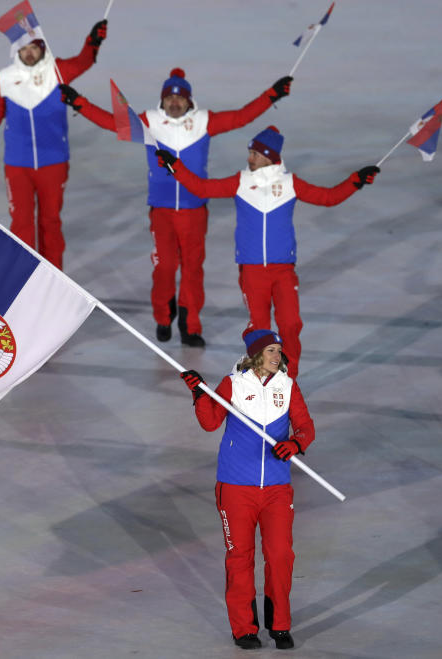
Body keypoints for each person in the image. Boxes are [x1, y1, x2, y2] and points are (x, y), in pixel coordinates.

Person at [58, 70, 293, 347]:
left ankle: (190, 324)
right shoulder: (150, 122)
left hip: (195, 209)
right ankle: (163, 314)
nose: (174, 103)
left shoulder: (204, 121)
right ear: (163, 100)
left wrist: (272, 95)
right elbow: (112, 123)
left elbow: (242, 116)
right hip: (162, 209)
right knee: (165, 267)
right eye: (169, 98)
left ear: (188, 100)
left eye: (179, 98)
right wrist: (79, 102)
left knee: (193, 268)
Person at [157, 126, 379, 375]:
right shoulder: (240, 182)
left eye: (254, 154)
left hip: (283, 269)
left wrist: (355, 181)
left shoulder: (290, 183)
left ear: (268, 156)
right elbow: (201, 188)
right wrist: (175, 166)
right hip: (252, 270)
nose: (249, 158)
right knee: (260, 330)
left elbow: (327, 197)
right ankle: (261, 380)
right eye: (249, 153)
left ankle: (288, 381)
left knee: (291, 324)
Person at [180, 328, 314, 650]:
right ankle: (244, 629)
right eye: (271, 351)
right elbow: (211, 422)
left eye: (278, 351)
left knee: (281, 555)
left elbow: (306, 427)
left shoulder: (288, 386)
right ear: (256, 354)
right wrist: (200, 394)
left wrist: (295, 443)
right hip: (236, 488)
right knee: (240, 557)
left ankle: (280, 626)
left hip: (277, 489)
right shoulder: (233, 384)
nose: (277, 356)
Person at [0, 19, 108, 270]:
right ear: (16, 51)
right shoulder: (5, 78)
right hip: (17, 165)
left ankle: (53, 277)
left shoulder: (57, 71)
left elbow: (83, 62)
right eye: (24, 48)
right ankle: (24, 278)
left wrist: (93, 41)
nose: (29, 52)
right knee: (21, 224)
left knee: (50, 222)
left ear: (42, 48)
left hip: (54, 162)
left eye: (34, 47)